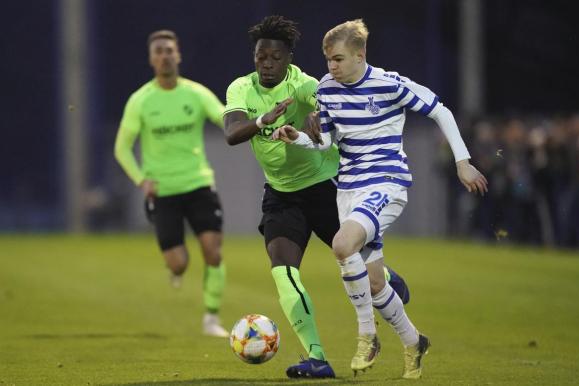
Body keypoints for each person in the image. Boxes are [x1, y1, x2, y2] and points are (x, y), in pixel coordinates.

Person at [273, 19, 488, 379]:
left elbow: (441, 111)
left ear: (361, 54)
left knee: (342, 245)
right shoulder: (326, 89)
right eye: (328, 60)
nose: (332, 67)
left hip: (386, 183)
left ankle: (367, 334)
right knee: (374, 283)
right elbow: (326, 142)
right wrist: (296, 138)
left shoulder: (389, 84)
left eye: (339, 59)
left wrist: (462, 163)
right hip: (349, 189)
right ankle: (414, 340)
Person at [223, 15, 411, 379]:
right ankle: (317, 358)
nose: (266, 63)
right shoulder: (241, 88)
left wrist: (316, 116)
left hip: (326, 189)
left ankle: (386, 279)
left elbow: (322, 103)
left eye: (274, 57)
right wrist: (263, 120)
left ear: (288, 58)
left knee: (354, 258)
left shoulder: (305, 83)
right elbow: (232, 133)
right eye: (260, 56)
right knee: (283, 273)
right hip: (280, 195)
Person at [114, 30, 229, 338]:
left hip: (198, 183)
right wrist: (142, 180)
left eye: (169, 50)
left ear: (178, 55)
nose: (165, 55)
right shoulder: (141, 100)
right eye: (159, 51)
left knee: (213, 252)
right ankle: (175, 270)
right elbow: (121, 148)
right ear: (152, 60)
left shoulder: (196, 93)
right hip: (162, 191)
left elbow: (224, 118)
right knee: (179, 263)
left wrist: (254, 122)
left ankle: (211, 318)